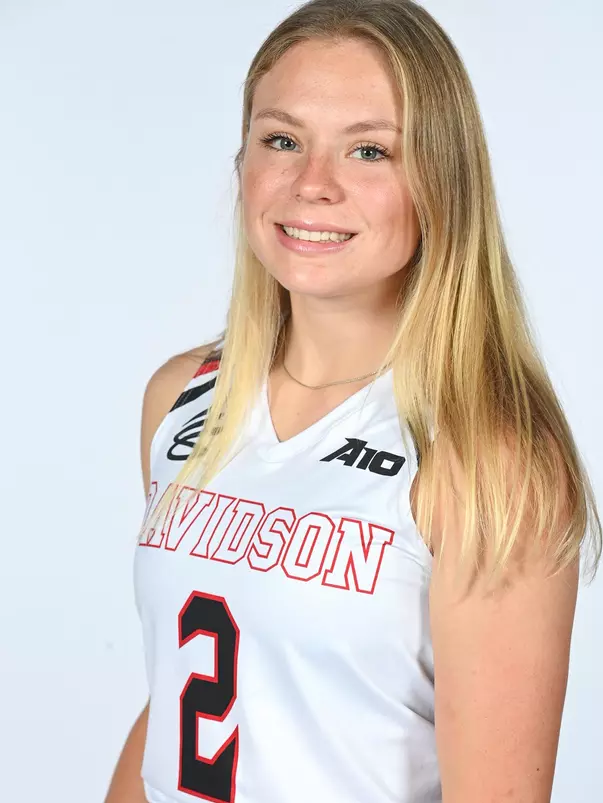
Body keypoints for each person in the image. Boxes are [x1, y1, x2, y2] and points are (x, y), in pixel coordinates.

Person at [105, 1, 601, 802]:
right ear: (242, 162)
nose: (312, 184)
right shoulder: (182, 397)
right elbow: (179, 696)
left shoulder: (485, 458)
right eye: (281, 140)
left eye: (368, 150)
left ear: (439, 180)